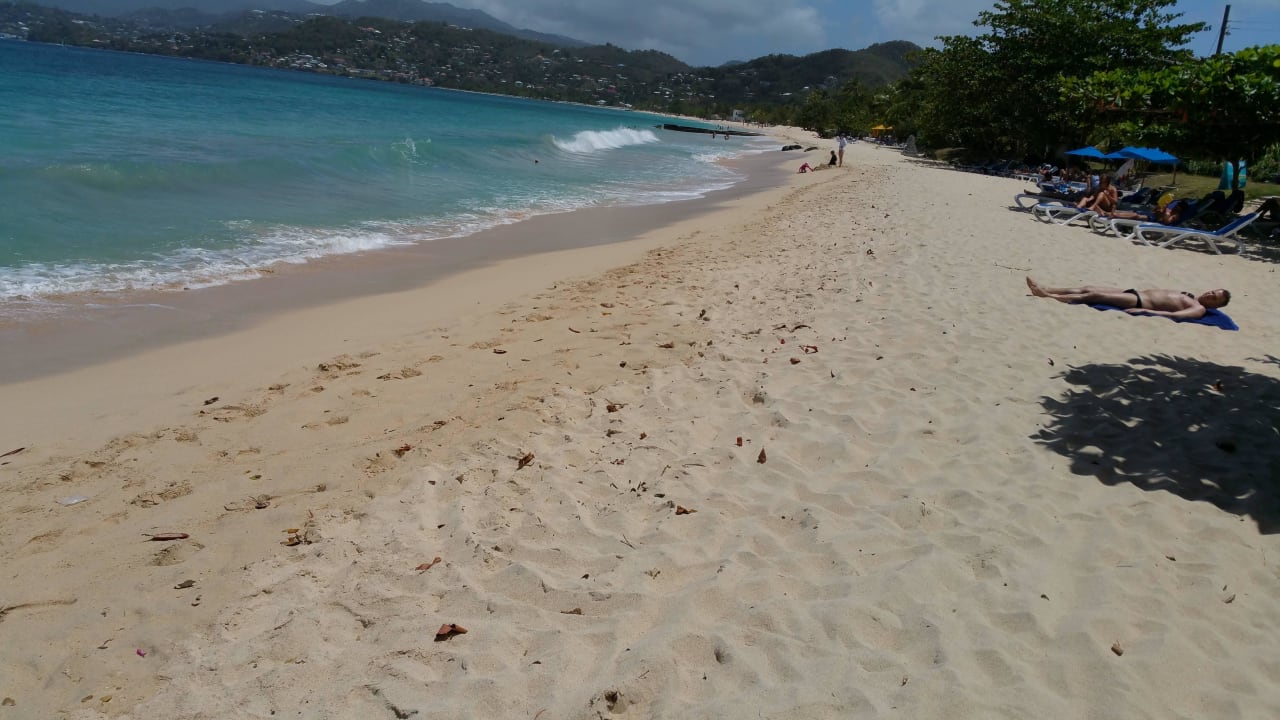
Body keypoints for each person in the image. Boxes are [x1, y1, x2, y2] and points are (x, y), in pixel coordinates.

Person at [1026, 277, 1229, 320]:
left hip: (1140, 302)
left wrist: (1147, 311)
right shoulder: (1191, 295)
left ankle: (1048, 295)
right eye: (1212, 291)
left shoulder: (1198, 308)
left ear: (1216, 306)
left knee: (1093, 296)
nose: (1210, 295)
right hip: (1135, 291)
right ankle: (1049, 287)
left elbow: (1177, 315)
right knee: (1088, 286)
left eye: (1214, 298)